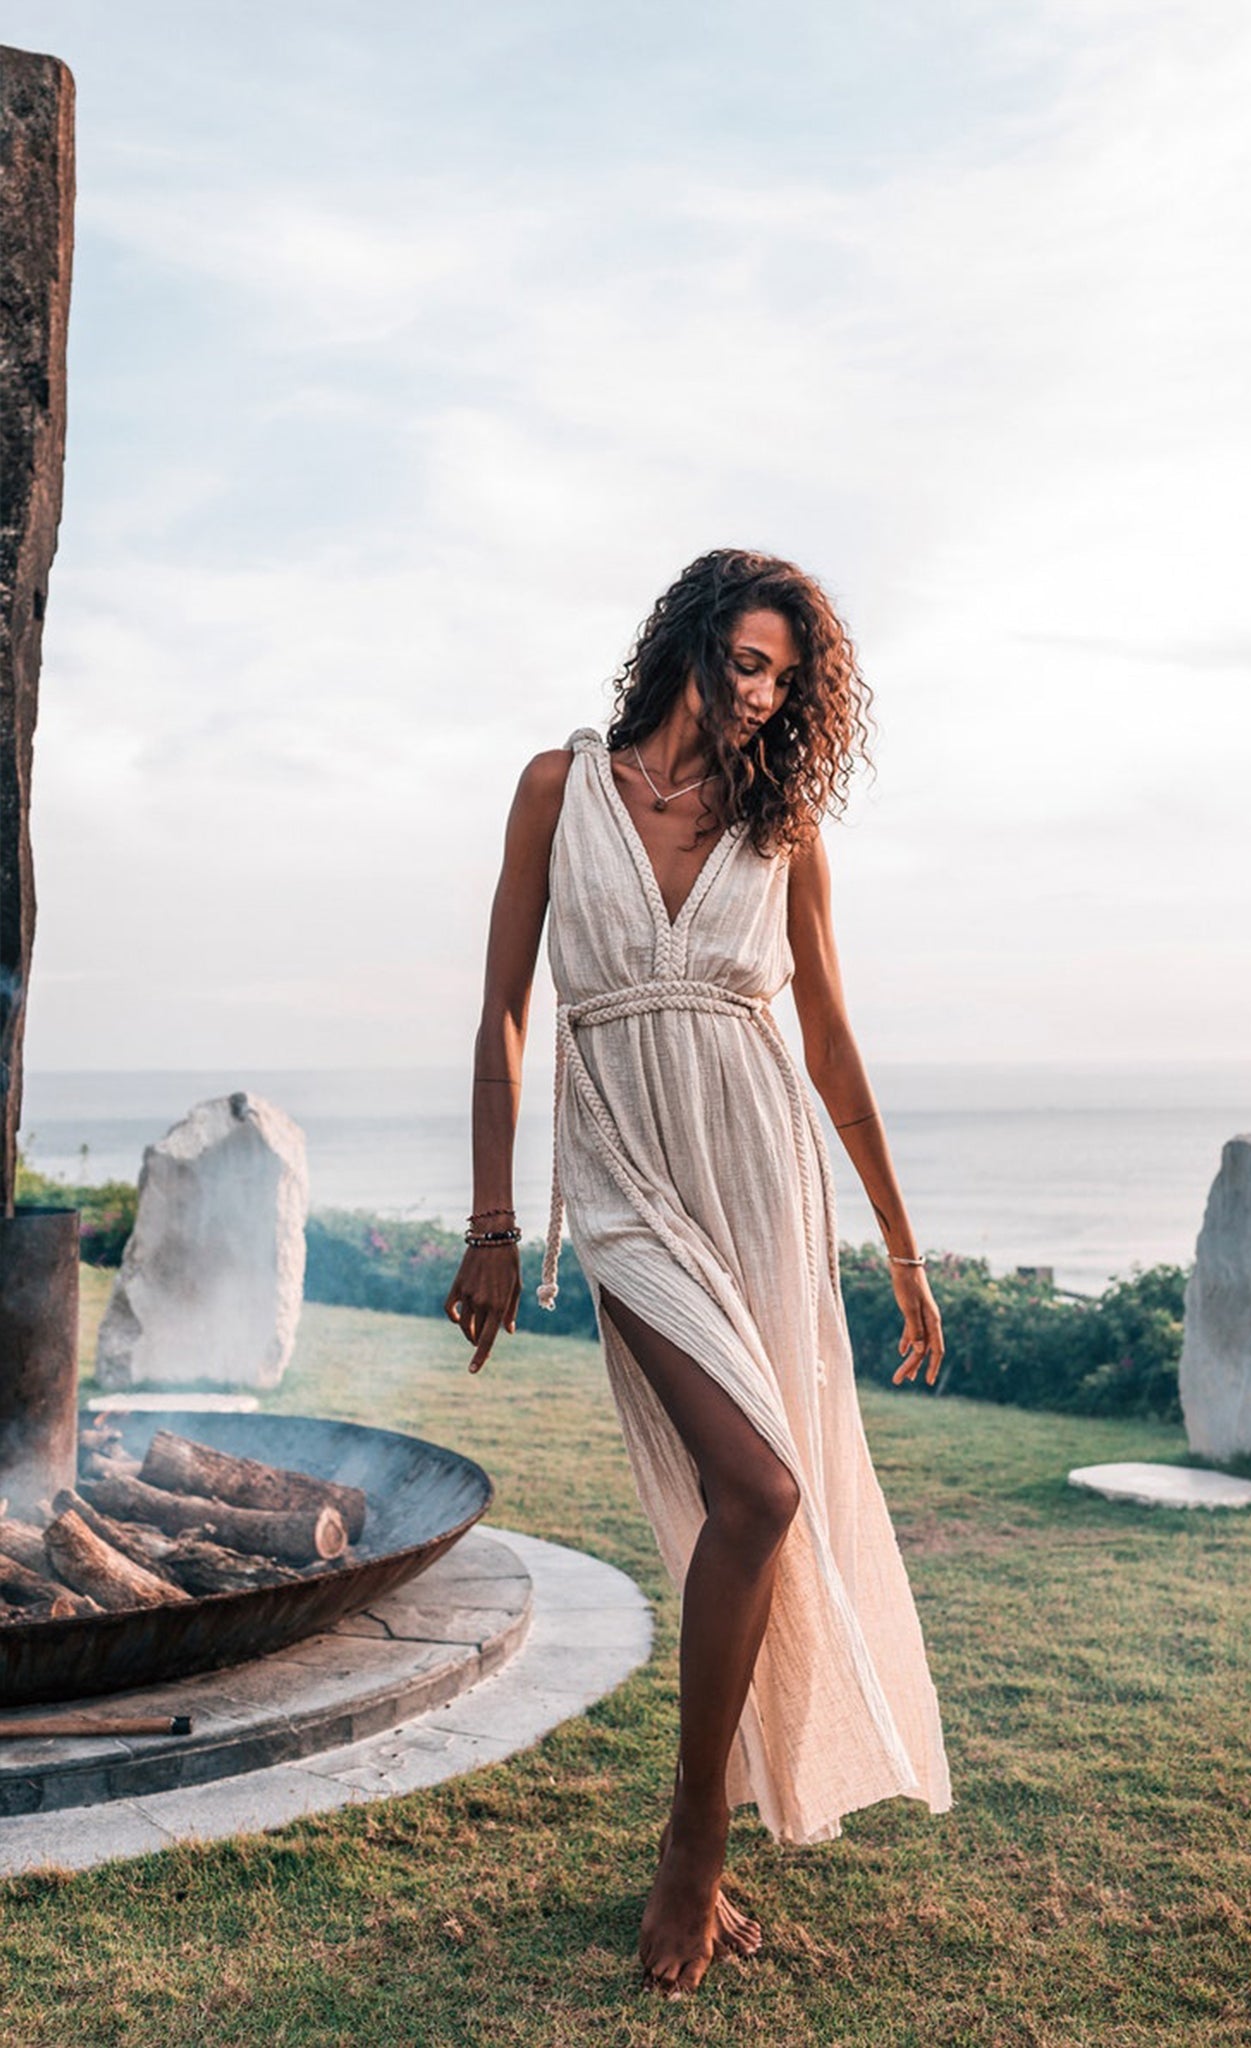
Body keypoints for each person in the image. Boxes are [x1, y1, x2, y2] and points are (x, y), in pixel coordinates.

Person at [445, 547, 951, 1998]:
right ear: (681, 642)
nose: (756, 692)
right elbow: (499, 1006)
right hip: (621, 1176)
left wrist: (901, 1252)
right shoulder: (559, 787)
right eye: (741, 659)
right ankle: (689, 1839)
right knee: (762, 1491)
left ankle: (702, 1833)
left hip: (760, 1175)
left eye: (783, 676)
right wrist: (492, 1223)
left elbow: (834, 1047)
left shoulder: (781, 830)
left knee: (767, 1497)